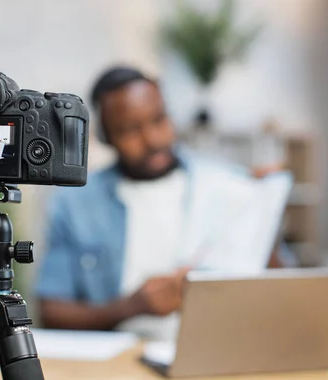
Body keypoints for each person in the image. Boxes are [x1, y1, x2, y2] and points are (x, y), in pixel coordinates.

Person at [33, 66, 289, 339]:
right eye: (131, 130)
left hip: (219, 345)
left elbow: (283, 293)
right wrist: (131, 307)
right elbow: (51, 311)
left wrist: (263, 212)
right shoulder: (74, 204)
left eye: (159, 120)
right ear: (106, 137)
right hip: (122, 362)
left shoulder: (224, 184)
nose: (153, 140)